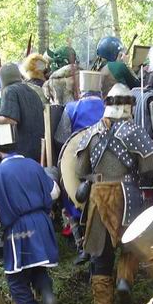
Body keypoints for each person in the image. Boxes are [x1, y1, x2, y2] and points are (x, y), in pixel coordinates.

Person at [75, 83, 153, 304]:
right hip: (127, 195)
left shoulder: (92, 132)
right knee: (130, 244)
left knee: (101, 254)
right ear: (130, 105)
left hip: (99, 197)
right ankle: (123, 281)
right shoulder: (134, 131)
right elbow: (149, 168)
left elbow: (80, 171)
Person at [0, 124, 60, 304]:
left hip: (19, 230)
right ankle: (48, 297)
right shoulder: (33, 165)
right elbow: (54, 192)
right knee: (37, 268)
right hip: (43, 224)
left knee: (15, 278)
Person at [55, 71, 106, 265]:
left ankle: (82, 246)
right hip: (105, 158)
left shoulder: (72, 107)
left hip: (78, 158)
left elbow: (62, 138)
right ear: (99, 90)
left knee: (72, 197)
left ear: (82, 90)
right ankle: (102, 246)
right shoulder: (107, 107)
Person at [0, 63, 45, 164]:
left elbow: (11, 119)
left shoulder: (10, 91)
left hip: (21, 146)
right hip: (38, 146)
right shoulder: (32, 91)